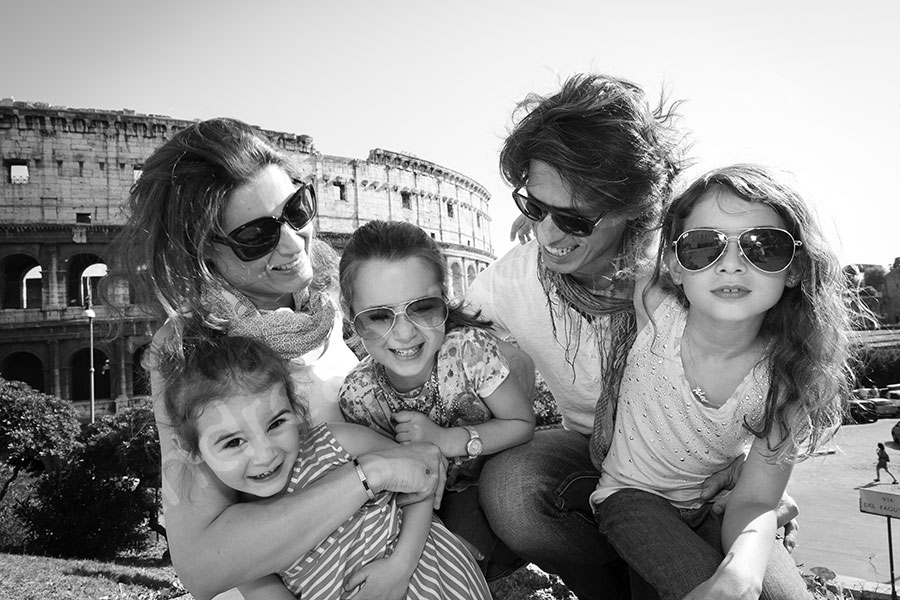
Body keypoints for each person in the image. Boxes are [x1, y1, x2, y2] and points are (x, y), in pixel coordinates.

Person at [466, 74, 798, 599]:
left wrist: (757, 480)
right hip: (603, 464)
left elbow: (769, 357)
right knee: (512, 491)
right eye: (533, 208)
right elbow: (417, 335)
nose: (546, 235)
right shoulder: (508, 284)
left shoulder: (687, 269)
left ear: (630, 210)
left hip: (710, 470)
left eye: (573, 219)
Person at [106, 118, 446, 600]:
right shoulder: (188, 347)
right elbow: (204, 565)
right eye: (255, 236)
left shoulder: (329, 305)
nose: (293, 242)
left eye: (296, 209)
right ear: (204, 254)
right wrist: (371, 475)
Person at [592, 164, 855, 599]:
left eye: (763, 247)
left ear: (793, 269)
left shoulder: (788, 379)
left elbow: (755, 501)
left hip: (720, 500)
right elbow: (622, 214)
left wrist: (743, 574)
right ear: (675, 267)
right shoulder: (655, 306)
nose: (731, 264)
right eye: (703, 246)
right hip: (632, 496)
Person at [159, 332, 491, 600]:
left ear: (297, 411)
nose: (265, 455)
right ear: (194, 453)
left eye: (276, 423)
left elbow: (421, 478)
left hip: (430, 572)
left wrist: (400, 564)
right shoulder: (241, 536)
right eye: (233, 442)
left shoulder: (334, 441)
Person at [337, 219, 536, 576]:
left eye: (423, 308)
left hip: (493, 476)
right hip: (428, 498)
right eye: (378, 317)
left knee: (460, 552)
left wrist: (446, 440)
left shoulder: (469, 350)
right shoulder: (359, 395)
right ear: (352, 320)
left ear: (444, 302)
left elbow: (522, 425)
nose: (403, 332)